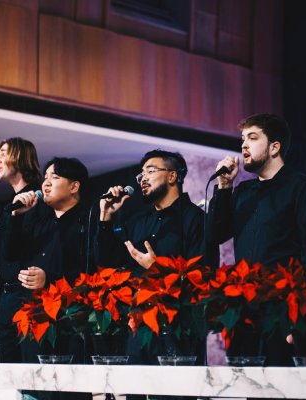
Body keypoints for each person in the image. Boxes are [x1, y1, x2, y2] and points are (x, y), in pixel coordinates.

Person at [97, 149, 214, 400]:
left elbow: (204, 278)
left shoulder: (196, 220)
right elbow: (107, 264)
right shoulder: (139, 222)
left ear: (172, 176)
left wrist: (158, 269)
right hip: (138, 326)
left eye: (151, 171)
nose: (143, 178)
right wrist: (106, 218)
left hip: (179, 328)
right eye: (141, 174)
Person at [207, 113, 306, 365]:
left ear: (274, 147)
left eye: (253, 138)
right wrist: (224, 188)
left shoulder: (301, 187)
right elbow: (214, 234)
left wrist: (298, 314)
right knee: (246, 383)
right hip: (244, 307)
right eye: (242, 139)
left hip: (282, 307)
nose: (244, 145)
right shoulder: (243, 191)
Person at [5, 156, 92, 400]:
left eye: (54, 177)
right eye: (45, 178)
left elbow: (92, 274)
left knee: (68, 392)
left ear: (74, 186)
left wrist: (50, 279)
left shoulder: (89, 221)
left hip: (70, 323)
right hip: (35, 320)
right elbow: (10, 255)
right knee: (34, 390)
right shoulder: (38, 222)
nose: (46, 183)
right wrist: (17, 216)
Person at [0, 137, 42, 363]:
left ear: (20, 158)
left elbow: (20, 251)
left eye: (4, 153)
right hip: (8, 297)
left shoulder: (39, 199)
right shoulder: (10, 205)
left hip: (29, 296)